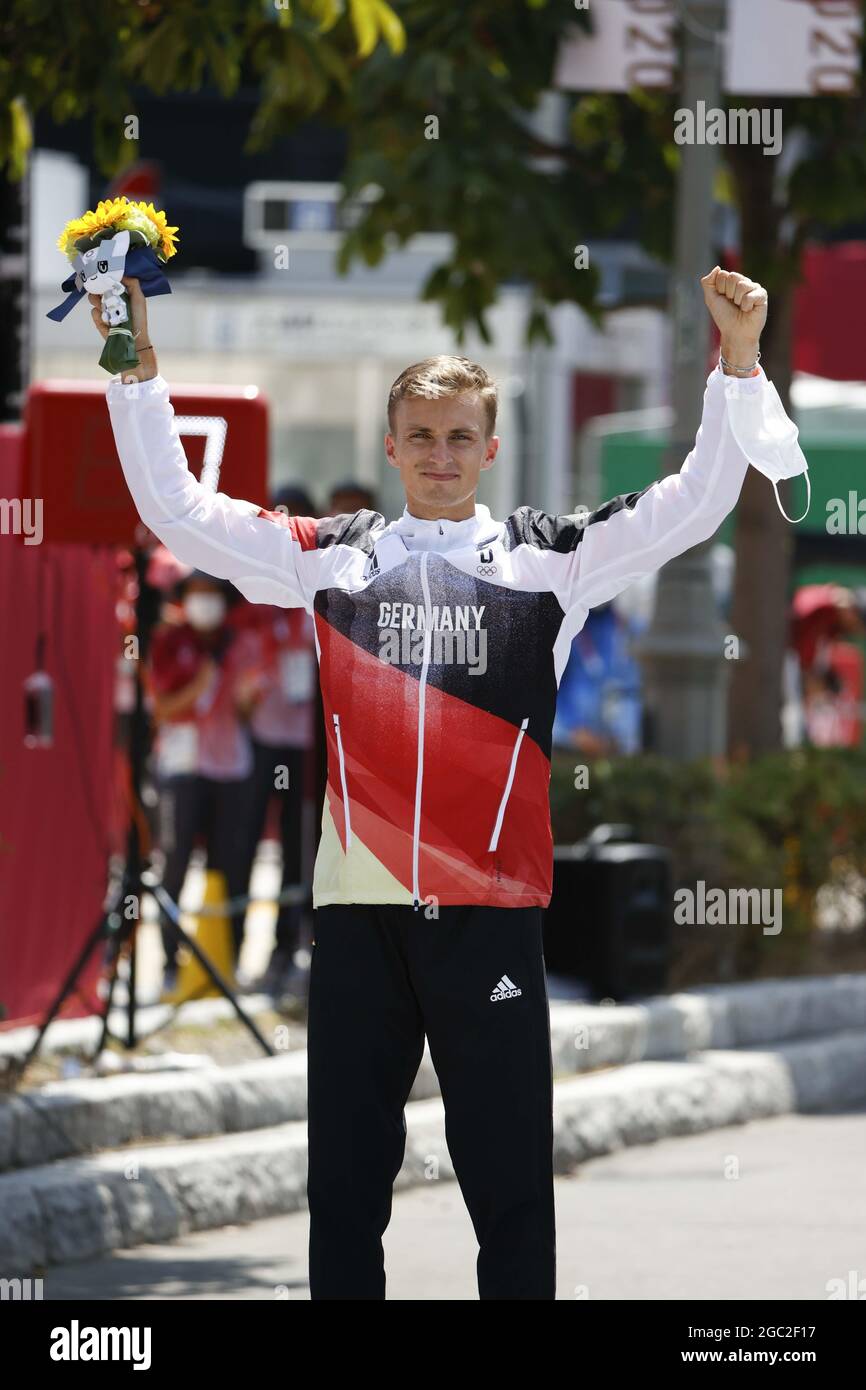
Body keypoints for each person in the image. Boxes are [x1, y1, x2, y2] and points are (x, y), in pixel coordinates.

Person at [96, 267, 794, 1300]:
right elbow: (175, 507)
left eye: (458, 435)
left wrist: (733, 364)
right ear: (389, 447)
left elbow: (692, 507)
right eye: (419, 436)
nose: (437, 455)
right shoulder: (330, 559)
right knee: (341, 1187)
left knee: (509, 1187)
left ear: (489, 448)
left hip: (491, 914)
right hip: (359, 911)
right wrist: (130, 357)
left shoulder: (548, 559)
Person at [147, 569, 260, 991]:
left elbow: (247, 710)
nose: (204, 602)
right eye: (196, 594)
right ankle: (169, 962)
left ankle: (226, 957)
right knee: (175, 864)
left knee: (230, 864)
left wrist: (248, 695)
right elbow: (161, 708)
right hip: (182, 764)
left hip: (231, 765)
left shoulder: (242, 644)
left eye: (212, 594)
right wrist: (203, 682)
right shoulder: (168, 641)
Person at [234, 483, 318, 998]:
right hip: (260, 740)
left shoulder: (320, 596)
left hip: (307, 746)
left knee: (300, 847)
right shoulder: (254, 599)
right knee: (241, 842)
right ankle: (233, 951)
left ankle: (290, 947)